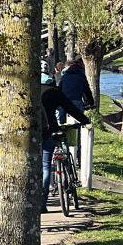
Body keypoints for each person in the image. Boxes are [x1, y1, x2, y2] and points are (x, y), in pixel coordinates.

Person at [40, 63, 91, 211]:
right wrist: (85, 121)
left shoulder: (32, 91)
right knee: (46, 165)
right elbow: (70, 108)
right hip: (51, 130)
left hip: (35, 132)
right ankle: (46, 201)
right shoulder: (54, 92)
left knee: (41, 167)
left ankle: (40, 203)